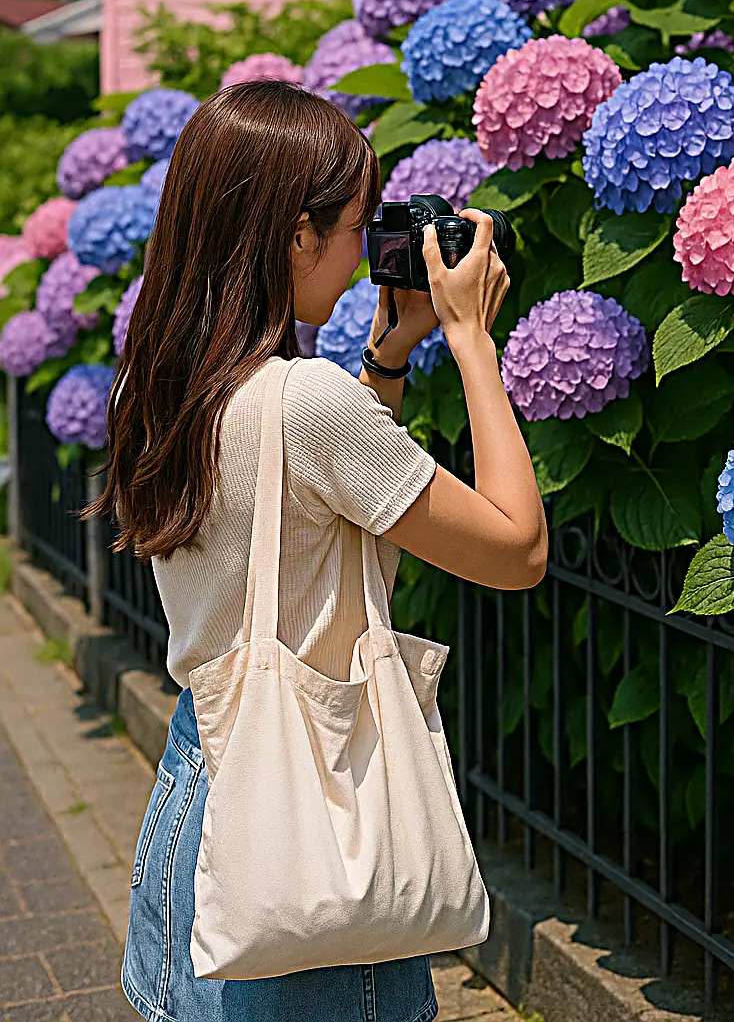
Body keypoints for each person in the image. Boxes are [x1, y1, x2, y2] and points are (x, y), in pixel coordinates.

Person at [92, 80, 546, 1022]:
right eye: (353, 228)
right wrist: (472, 345)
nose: (362, 254)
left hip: (200, 805)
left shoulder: (163, 377)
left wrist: (383, 363)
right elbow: (517, 549)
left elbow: (312, 522)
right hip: (309, 836)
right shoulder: (304, 401)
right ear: (296, 235)